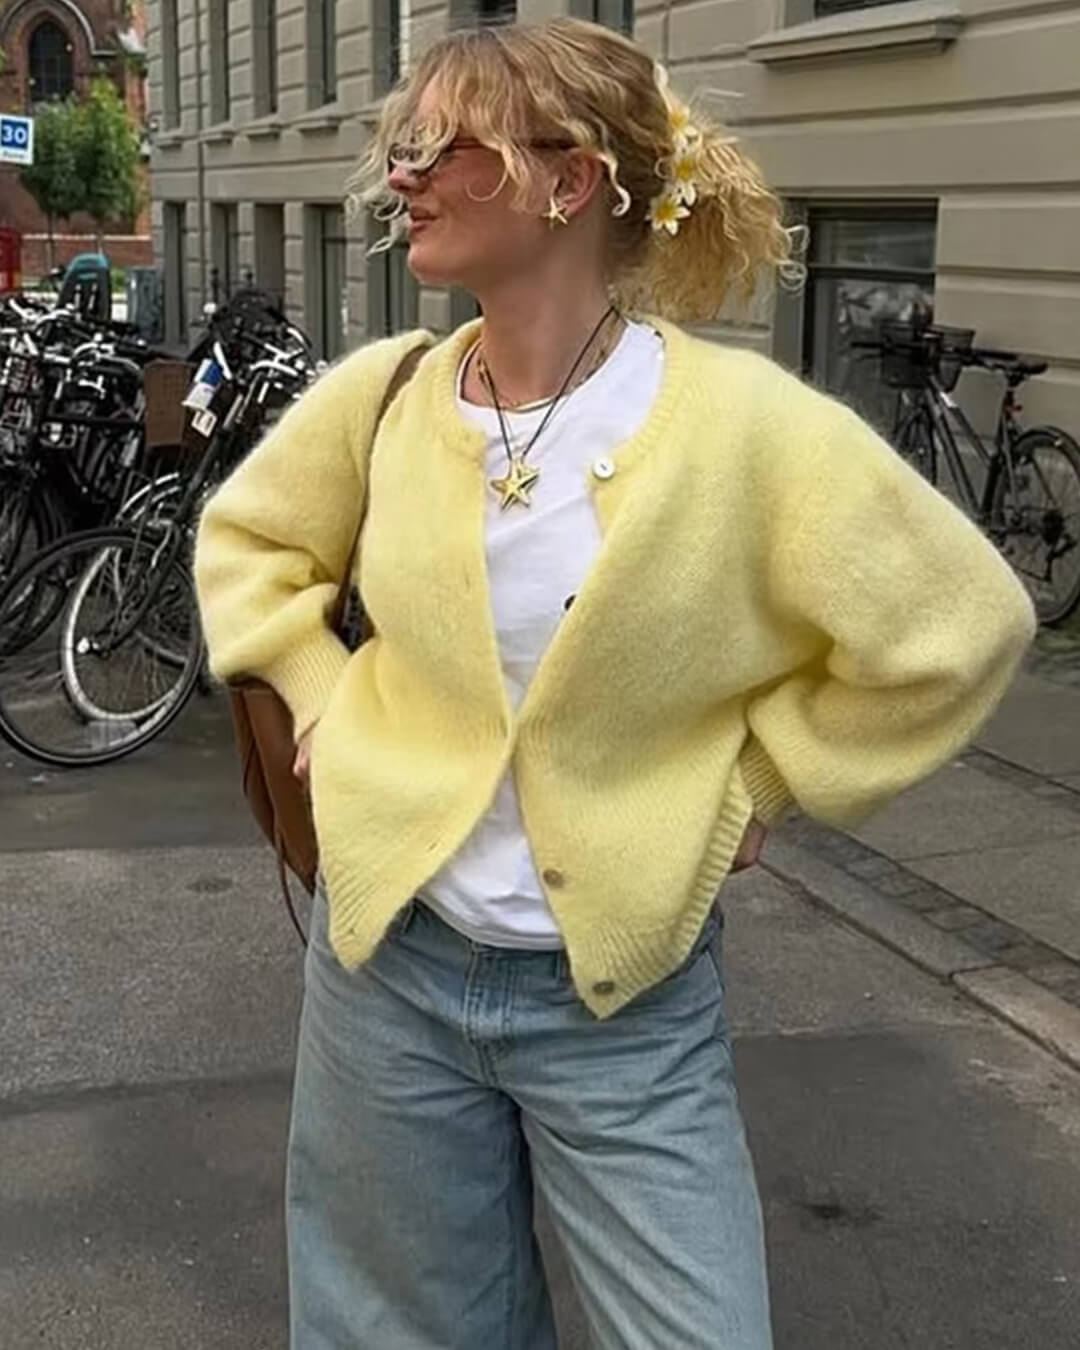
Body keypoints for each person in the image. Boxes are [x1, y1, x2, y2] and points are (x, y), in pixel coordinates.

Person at [194, 18, 1035, 1350]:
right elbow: (251, 545)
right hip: (388, 973)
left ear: (570, 182)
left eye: (444, 146)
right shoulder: (389, 396)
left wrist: (762, 781)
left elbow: (959, 623)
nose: (403, 174)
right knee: (390, 1330)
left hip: (623, 1003)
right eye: (403, 144)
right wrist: (319, 688)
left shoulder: (742, 430)